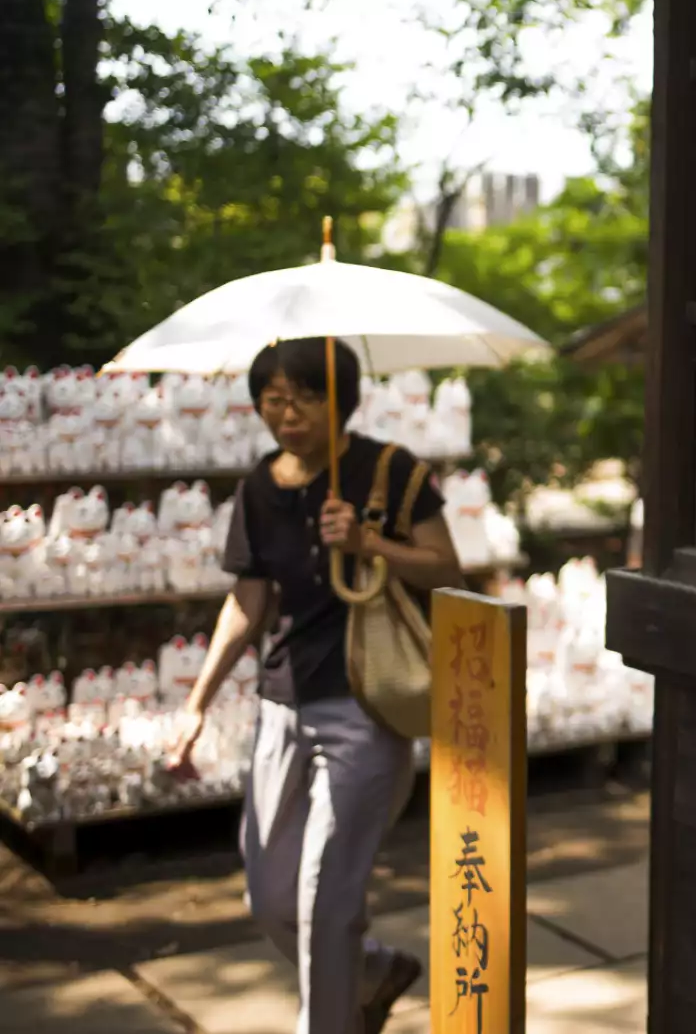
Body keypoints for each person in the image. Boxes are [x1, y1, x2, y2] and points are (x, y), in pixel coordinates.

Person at [168, 337, 464, 1034]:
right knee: (272, 898)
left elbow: (447, 567)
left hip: (366, 707)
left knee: (328, 904)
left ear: (341, 398)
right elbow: (248, 602)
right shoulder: (257, 488)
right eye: (272, 398)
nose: (287, 411)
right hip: (280, 705)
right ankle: (373, 971)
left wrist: (370, 545)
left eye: (304, 395)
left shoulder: (389, 470)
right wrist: (196, 702)